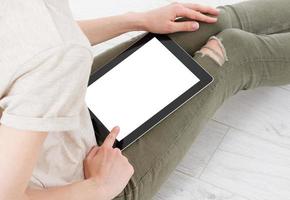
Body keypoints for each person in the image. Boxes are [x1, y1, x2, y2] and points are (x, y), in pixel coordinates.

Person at [0, 0, 289, 200]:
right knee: (232, 55)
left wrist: (136, 20)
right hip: (76, 182)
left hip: (59, 116)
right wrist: (98, 188)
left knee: (197, 23)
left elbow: (31, 37)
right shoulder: (55, 60)